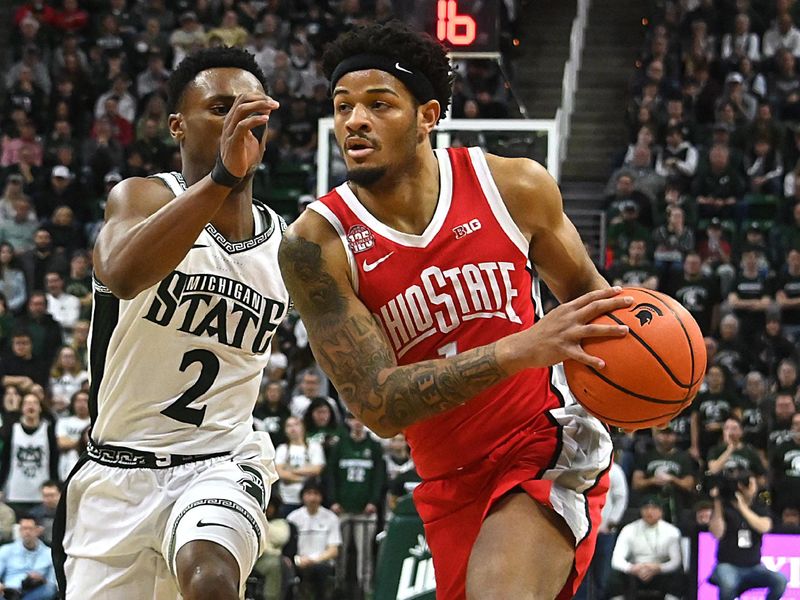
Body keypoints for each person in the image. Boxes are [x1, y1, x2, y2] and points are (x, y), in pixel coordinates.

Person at [278, 21, 631, 599]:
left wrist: (645, 374)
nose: (355, 121)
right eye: (343, 106)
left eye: (379, 104)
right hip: (446, 480)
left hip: (542, 444)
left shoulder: (513, 186)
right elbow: (378, 404)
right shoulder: (316, 243)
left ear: (427, 115)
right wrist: (515, 350)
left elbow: (595, 307)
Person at [51, 47, 290, 600]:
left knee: (210, 578)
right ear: (178, 126)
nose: (238, 120)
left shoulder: (287, 243)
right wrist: (222, 179)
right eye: (219, 107)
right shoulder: (140, 197)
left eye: (250, 109)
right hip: (117, 474)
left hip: (221, 463)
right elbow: (124, 271)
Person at [709, 467, 787, 600]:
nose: (754, 487)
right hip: (727, 565)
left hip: (754, 566)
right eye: (751, 483)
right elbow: (717, 533)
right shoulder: (725, 508)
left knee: (780, 581)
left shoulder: (759, 508)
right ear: (741, 486)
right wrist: (717, 502)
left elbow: (764, 527)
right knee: (728, 585)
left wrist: (742, 508)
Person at [607, 497, 684, 600]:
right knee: (613, 576)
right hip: (635, 571)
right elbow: (616, 560)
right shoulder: (629, 529)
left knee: (678, 575)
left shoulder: (672, 531)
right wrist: (632, 568)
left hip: (660, 572)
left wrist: (658, 568)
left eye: (654, 508)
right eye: (646, 508)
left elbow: (676, 562)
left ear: (661, 511)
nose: (649, 511)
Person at [286, 478, 341, 600]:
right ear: (303, 496)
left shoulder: (331, 518)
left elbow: (333, 550)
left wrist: (313, 559)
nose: (312, 498)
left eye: (316, 494)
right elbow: (288, 548)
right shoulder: (293, 518)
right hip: (299, 563)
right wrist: (299, 560)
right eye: (309, 494)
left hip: (322, 563)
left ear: (321, 497)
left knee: (320, 572)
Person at [0, 515, 57, 600]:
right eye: (23, 529)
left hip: (35, 591)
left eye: (30, 529)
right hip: (10, 590)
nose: (27, 532)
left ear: (38, 530)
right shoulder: (6, 550)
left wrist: (42, 580)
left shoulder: (48, 553)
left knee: (49, 590)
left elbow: (53, 584)